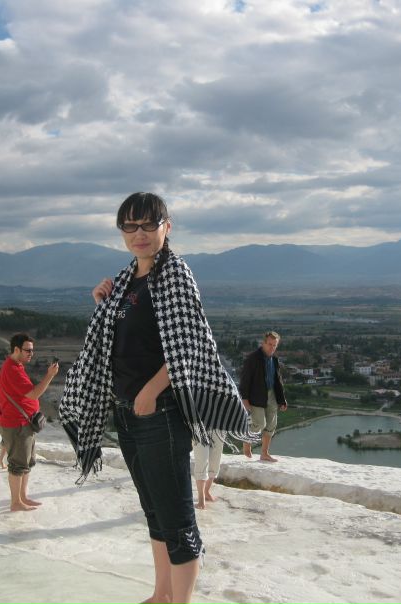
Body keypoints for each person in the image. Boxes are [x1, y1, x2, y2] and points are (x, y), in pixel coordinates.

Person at [58, 192, 255, 604]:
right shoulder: (126, 280)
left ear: (167, 226)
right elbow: (123, 341)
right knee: (154, 513)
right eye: (130, 226)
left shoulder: (175, 275)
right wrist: (103, 305)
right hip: (127, 414)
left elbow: (190, 344)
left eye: (149, 224)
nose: (139, 233)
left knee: (178, 521)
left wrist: (151, 390)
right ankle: (161, 594)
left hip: (160, 414)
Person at [0, 333, 59, 511]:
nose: (31, 354)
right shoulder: (12, 369)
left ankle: (23, 497)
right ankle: (16, 502)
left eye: (32, 350)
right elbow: (34, 394)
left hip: (24, 424)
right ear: (16, 349)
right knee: (18, 465)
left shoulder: (16, 366)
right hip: (17, 425)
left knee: (26, 462)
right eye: (27, 350)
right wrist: (50, 375)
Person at [239, 331, 288, 462]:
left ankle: (264, 453)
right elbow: (245, 380)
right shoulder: (252, 358)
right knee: (259, 424)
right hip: (256, 395)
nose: (272, 347)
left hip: (272, 394)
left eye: (274, 345)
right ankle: (246, 443)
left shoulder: (275, 360)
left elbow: (278, 381)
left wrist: (282, 400)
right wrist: (244, 399)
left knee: (271, 424)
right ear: (263, 343)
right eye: (270, 344)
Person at [192, 431, 225, 510]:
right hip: (199, 426)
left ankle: (206, 491)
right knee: (202, 459)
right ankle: (201, 498)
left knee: (215, 460)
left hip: (219, 427)